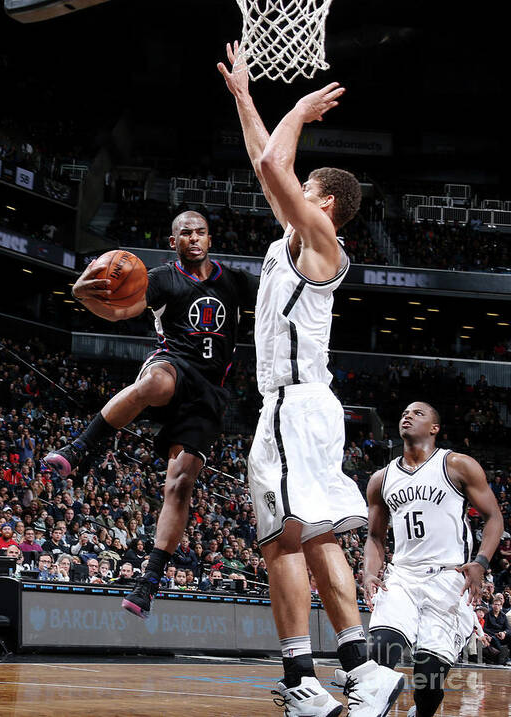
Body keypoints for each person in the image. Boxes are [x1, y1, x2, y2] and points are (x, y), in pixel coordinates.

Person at [219, 42, 403, 715]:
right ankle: (361, 667)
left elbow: (274, 164)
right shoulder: (298, 238)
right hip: (311, 404)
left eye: (301, 187)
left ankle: (301, 675)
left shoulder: (320, 240)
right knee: (317, 534)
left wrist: (297, 105)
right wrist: (244, 96)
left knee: (280, 539)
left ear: (321, 199)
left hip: (292, 404)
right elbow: (264, 163)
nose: (286, 189)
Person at [45, 209, 258, 619]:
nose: (193, 238)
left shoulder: (234, 280)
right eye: (184, 233)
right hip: (171, 363)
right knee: (155, 385)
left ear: (209, 239)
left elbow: (278, 296)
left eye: (199, 232)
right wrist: (82, 293)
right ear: (172, 242)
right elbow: (120, 311)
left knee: (179, 486)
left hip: (211, 392)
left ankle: (149, 582)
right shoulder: (161, 277)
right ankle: (77, 448)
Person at [364, 401, 504, 716]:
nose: (407, 415)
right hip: (402, 576)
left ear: (434, 428)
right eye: (403, 412)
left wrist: (480, 562)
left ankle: (423, 712)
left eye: (417, 413)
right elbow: (375, 537)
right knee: (379, 650)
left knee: (428, 678)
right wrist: (370, 572)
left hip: (447, 578)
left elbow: (494, 517)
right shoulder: (380, 480)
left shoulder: (457, 465)